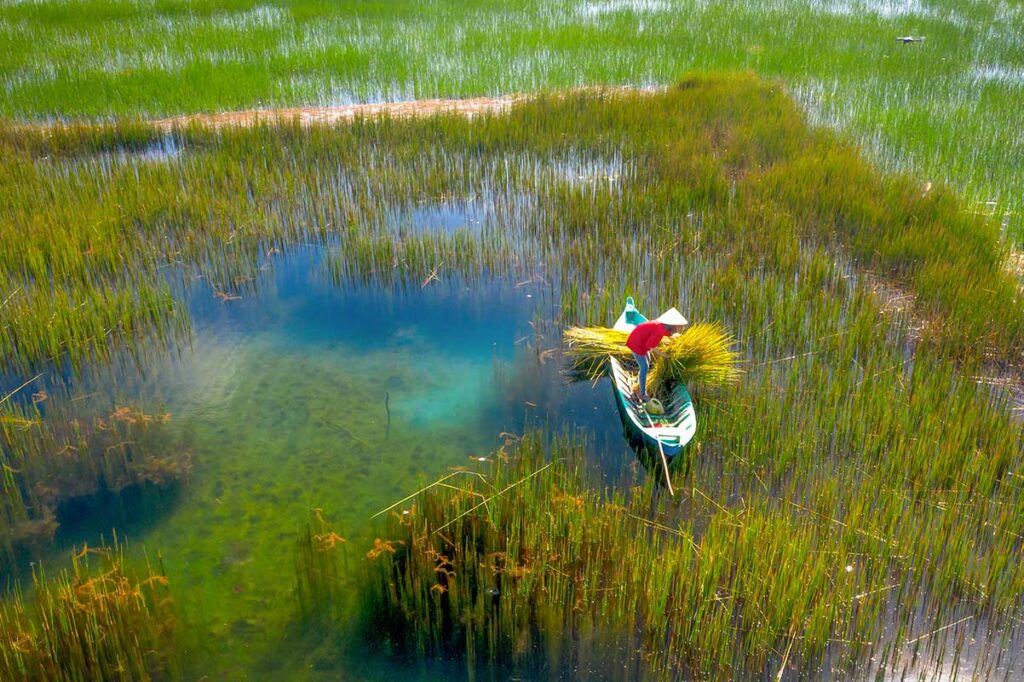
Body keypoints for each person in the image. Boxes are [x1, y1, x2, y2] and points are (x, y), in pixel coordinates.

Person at [625, 308, 688, 402]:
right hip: (636, 342)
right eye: (677, 327)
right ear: (672, 325)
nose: (678, 329)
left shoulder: (663, 326)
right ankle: (642, 394)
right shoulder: (659, 330)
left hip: (641, 341)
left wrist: (677, 340)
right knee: (644, 367)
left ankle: (640, 384)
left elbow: (669, 335)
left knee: (647, 362)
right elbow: (651, 346)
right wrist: (664, 355)